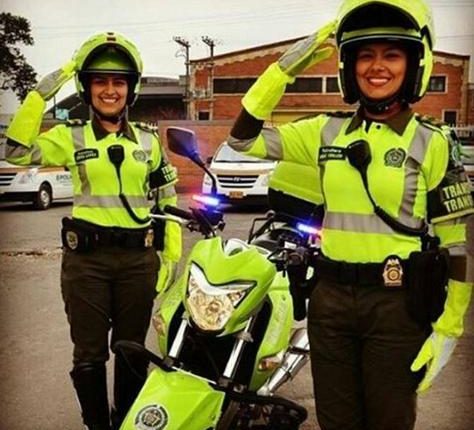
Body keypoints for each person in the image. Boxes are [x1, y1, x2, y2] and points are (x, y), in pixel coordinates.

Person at [227, 0, 474, 429]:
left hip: (396, 306)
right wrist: (286, 68)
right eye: (365, 54)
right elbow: (242, 140)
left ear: (415, 63)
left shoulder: (433, 143)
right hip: (331, 302)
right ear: (349, 66)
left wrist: (449, 329)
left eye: (391, 54)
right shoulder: (325, 131)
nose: (377, 66)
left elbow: (456, 247)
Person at [5, 31, 181, 430]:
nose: (109, 90)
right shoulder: (70, 138)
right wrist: (50, 84)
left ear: (130, 90)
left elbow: (167, 201)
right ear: (86, 88)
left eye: (118, 82)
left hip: (139, 261)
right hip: (87, 264)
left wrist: (170, 255)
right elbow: (14, 150)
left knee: (132, 351)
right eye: (99, 81)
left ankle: (126, 423)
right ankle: (97, 425)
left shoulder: (150, 142)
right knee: (89, 355)